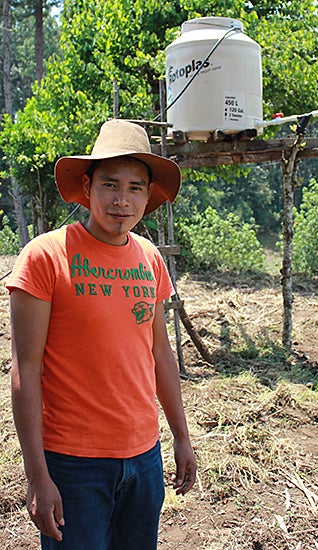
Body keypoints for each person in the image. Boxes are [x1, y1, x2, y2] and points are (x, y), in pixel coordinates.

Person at [7, 118, 197, 550]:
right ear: (88, 186)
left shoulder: (149, 258)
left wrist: (181, 437)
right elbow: (25, 368)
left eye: (134, 188)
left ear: (148, 197)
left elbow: (160, 354)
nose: (121, 200)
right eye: (110, 184)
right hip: (72, 463)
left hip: (143, 456)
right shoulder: (46, 257)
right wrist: (37, 475)